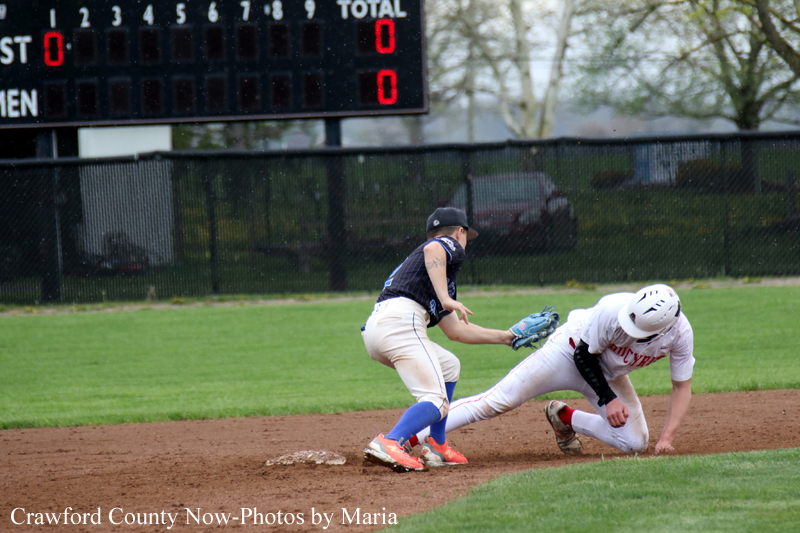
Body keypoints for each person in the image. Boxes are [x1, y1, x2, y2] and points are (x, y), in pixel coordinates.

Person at [409, 284, 693, 456]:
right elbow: (584, 355)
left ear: (663, 329)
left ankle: (565, 417)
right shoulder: (613, 309)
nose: (630, 329)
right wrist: (608, 398)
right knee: (496, 402)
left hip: (608, 375)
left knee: (635, 443)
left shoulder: (680, 335)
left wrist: (666, 437)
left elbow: (682, 386)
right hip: (568, 354)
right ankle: (407, 436)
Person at [361, 207, 519, 472]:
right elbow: (433, 249)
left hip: (381, 328)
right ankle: (390, 441)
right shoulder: (448, 245)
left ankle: (437, 444)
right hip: (401, 322)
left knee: (449, 366)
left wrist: (507, 337)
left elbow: (456, 331)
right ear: (460, 232)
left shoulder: (434, 277)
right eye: (466, 235)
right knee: (435, 400)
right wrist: (445, 298)